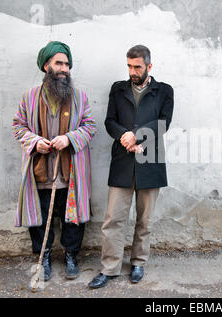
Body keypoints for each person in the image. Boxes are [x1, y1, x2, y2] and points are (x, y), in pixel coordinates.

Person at [88, 45, 174, 288]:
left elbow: (162, 124)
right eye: (129, 66)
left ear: (149, 66)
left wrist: (136, 135)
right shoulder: (118, 89)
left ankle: (138, 262)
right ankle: (109, 267)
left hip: (150, 161)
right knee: (113, 218)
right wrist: (124, 135)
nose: (132, 71)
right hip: (123, 161)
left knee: (145, 219)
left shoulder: (164, 91)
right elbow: (109, 121)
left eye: (137, 66)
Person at [12, 41, 97, 281]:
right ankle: (44, 256)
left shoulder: (79, 97)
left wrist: (69, 139)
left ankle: (71, 255)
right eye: (59, 63)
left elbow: (90, 126)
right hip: (40, 172)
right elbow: (18, 126)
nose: (65, 68)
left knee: (73, 218)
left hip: (70, 173)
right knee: (39, 220)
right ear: (46, 65)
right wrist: (34, 141)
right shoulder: (29, 97)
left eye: (67, 64)